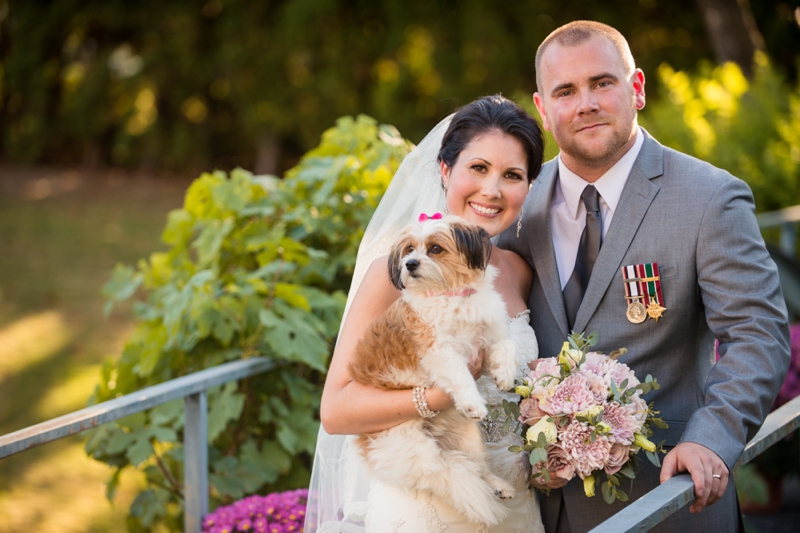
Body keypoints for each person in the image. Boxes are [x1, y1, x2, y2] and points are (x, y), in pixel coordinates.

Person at [497, 20, 791, 533]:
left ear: (636, 88)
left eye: (602, 83)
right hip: (537, 512)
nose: (585, 103)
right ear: (544, 111)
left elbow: (757, 334)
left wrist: (712, 437)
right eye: (565, 91)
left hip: (669, 504)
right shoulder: (514, 207)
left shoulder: (710, 198)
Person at [304, 95, 547, 533]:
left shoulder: (519, 271)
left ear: (529, 186)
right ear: (445, 170)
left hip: (517, 511)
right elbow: (336, 410)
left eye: (512, 175)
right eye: (478, 168)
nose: (492, 190)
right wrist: (437, 397)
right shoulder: (395, 274)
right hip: (426, 511)